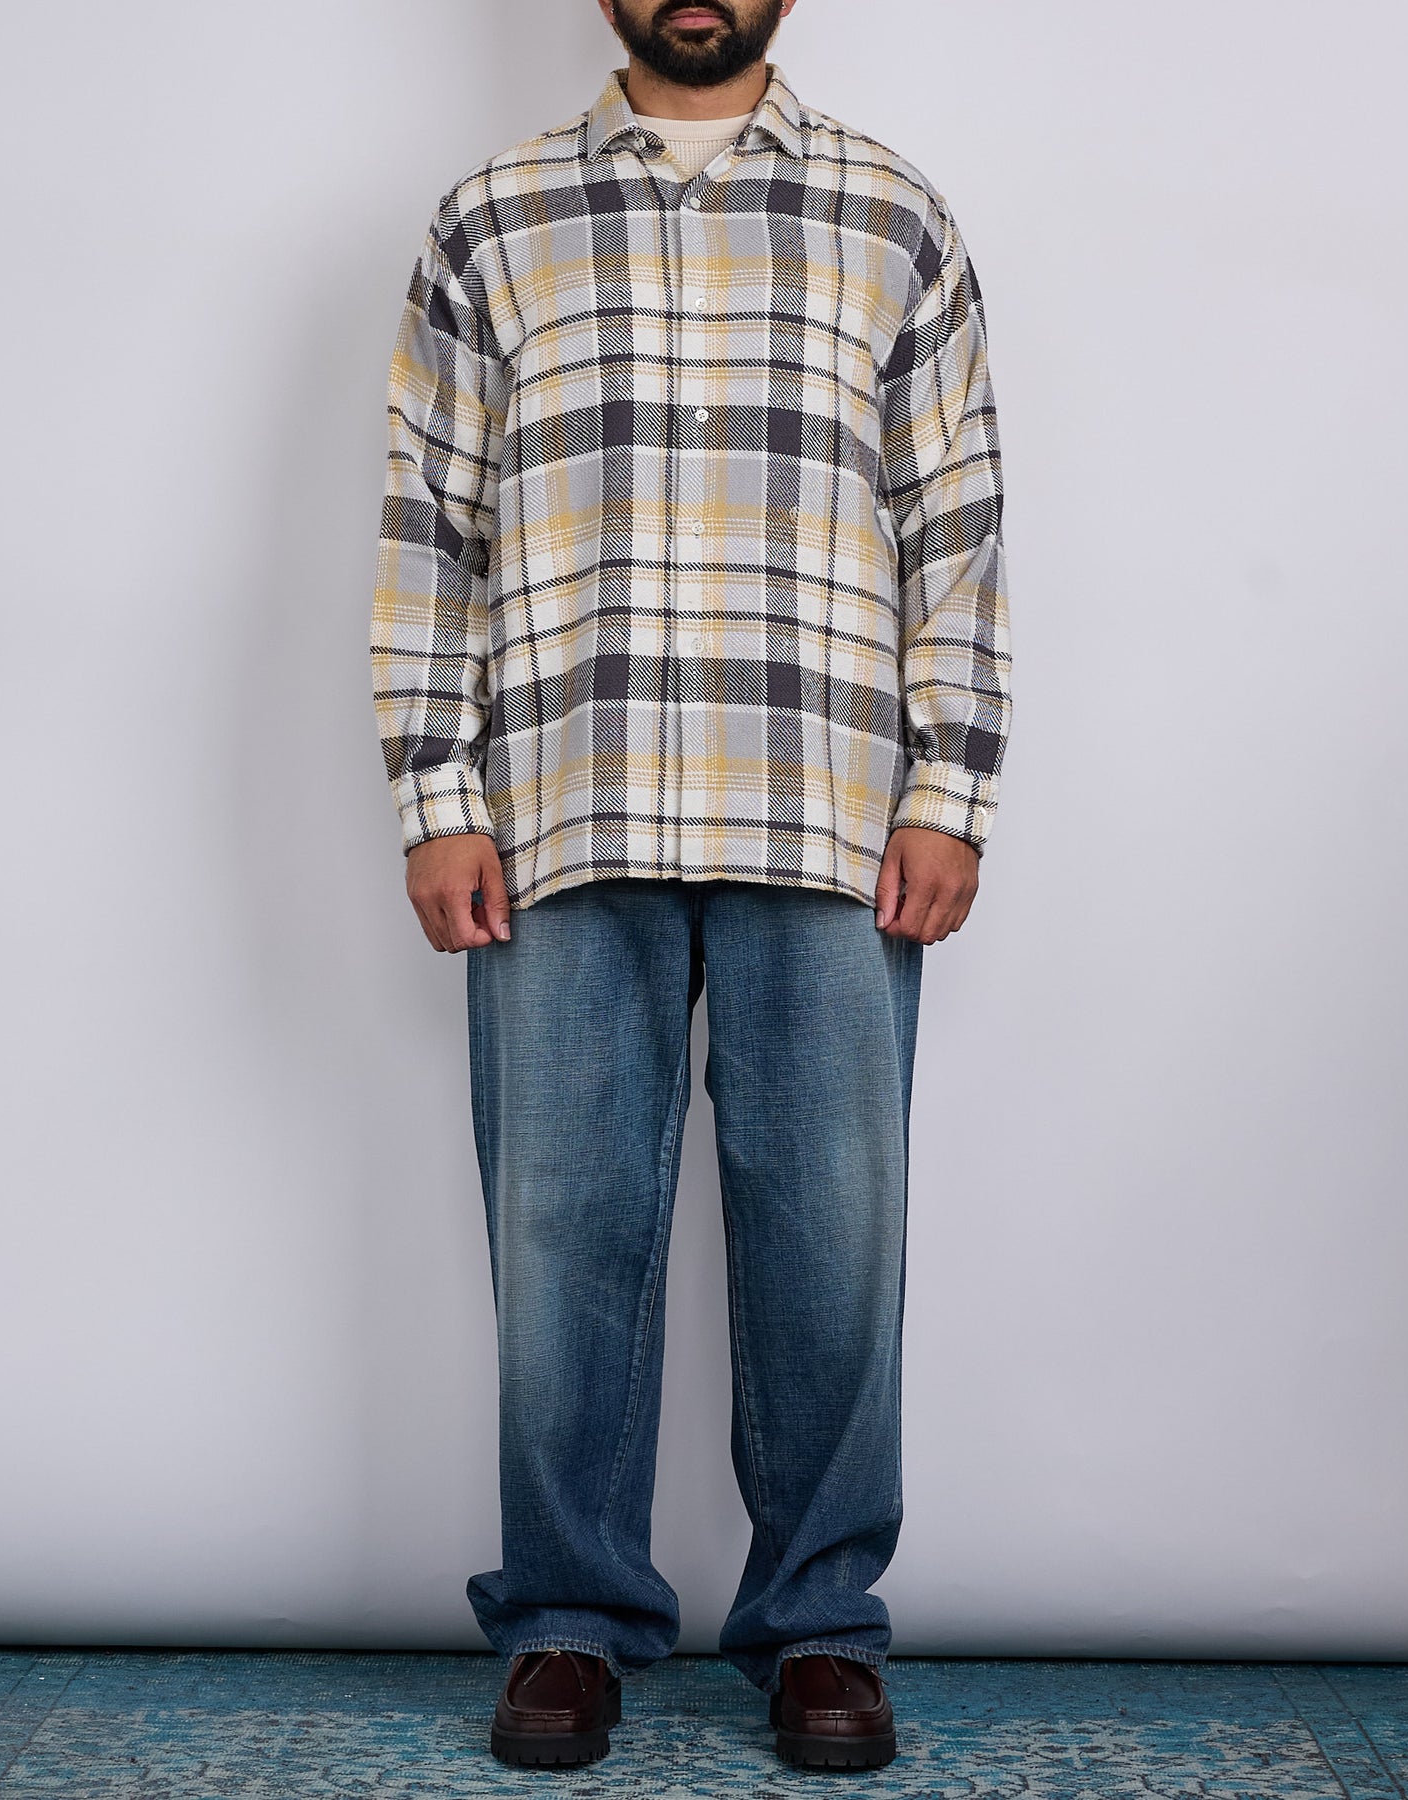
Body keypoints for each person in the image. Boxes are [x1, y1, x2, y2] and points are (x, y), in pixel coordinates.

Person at [370, 0, 1011, 1771]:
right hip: (561, 806)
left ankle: (819, 1627)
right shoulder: (492, 217)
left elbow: (955, 524)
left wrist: (953, 787)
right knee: (562, 1235)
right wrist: (435, 794)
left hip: (830, 808)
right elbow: (431, 524)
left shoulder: (894, 214)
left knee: (834, 1237)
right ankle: (568, 1621)